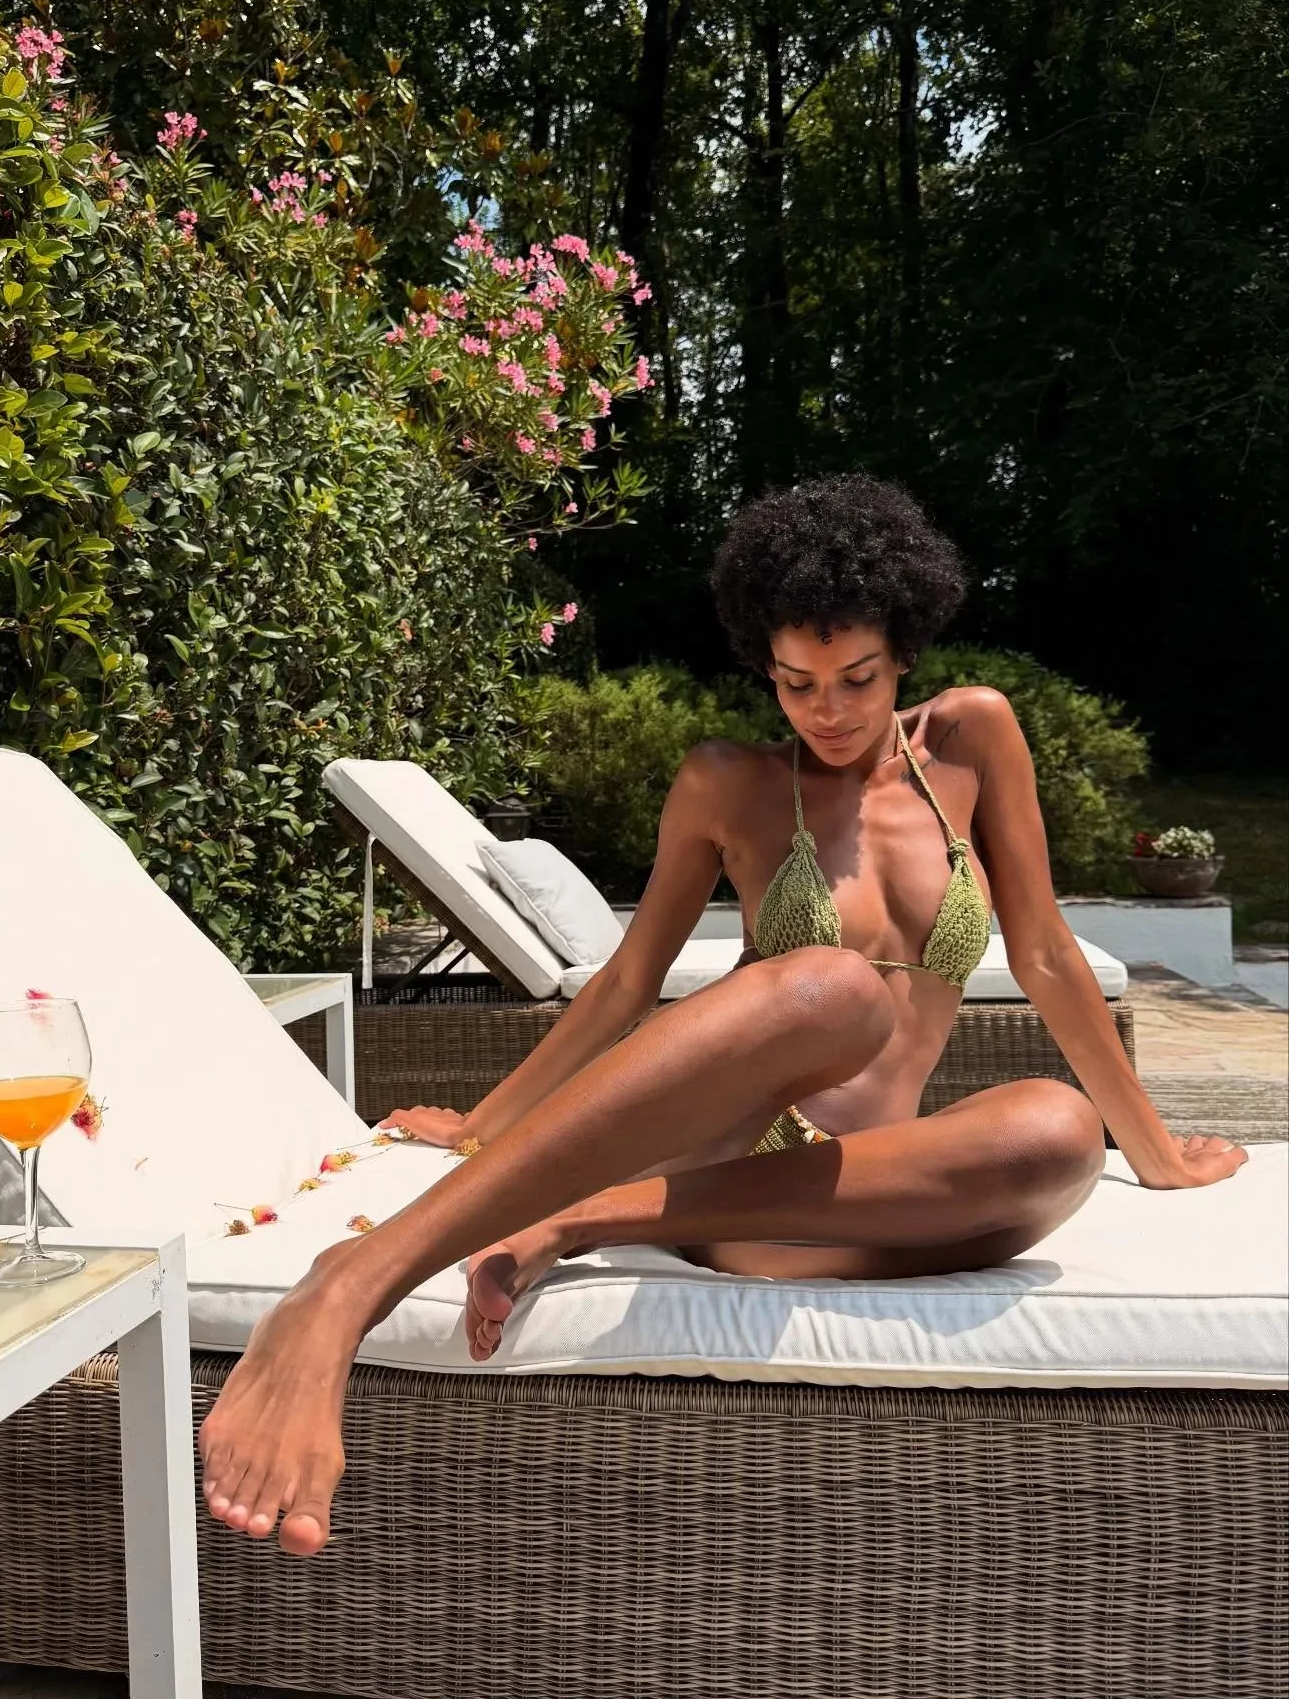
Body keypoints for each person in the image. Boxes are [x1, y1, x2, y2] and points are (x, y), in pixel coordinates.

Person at [198, 473, 1246, 1556]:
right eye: (795, 684)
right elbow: (626, 982)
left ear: (906, 652)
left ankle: (585, 1219)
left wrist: (1154, 1150)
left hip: (851, 1195)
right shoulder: (728, 782)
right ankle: (352, 1282)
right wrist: (481, 1125)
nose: (827, 710)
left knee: (1060, 1131)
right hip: (739, 1148)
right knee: (836, 990)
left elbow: (1046, 954)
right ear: (764, 668)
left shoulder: (974, 739)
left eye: (857, 678)